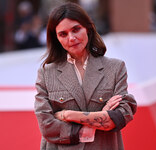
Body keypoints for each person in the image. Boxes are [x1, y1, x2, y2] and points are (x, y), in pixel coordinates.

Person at [34, 2, 137, 150]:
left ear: (88, 28)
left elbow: (117, 119)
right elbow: (47, 126)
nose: (71, 38)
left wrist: (68, 115)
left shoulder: (115, 68)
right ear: (56, 38)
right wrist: (100, 116)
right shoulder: (46, 73)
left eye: (76, 29)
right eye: (63, 34)